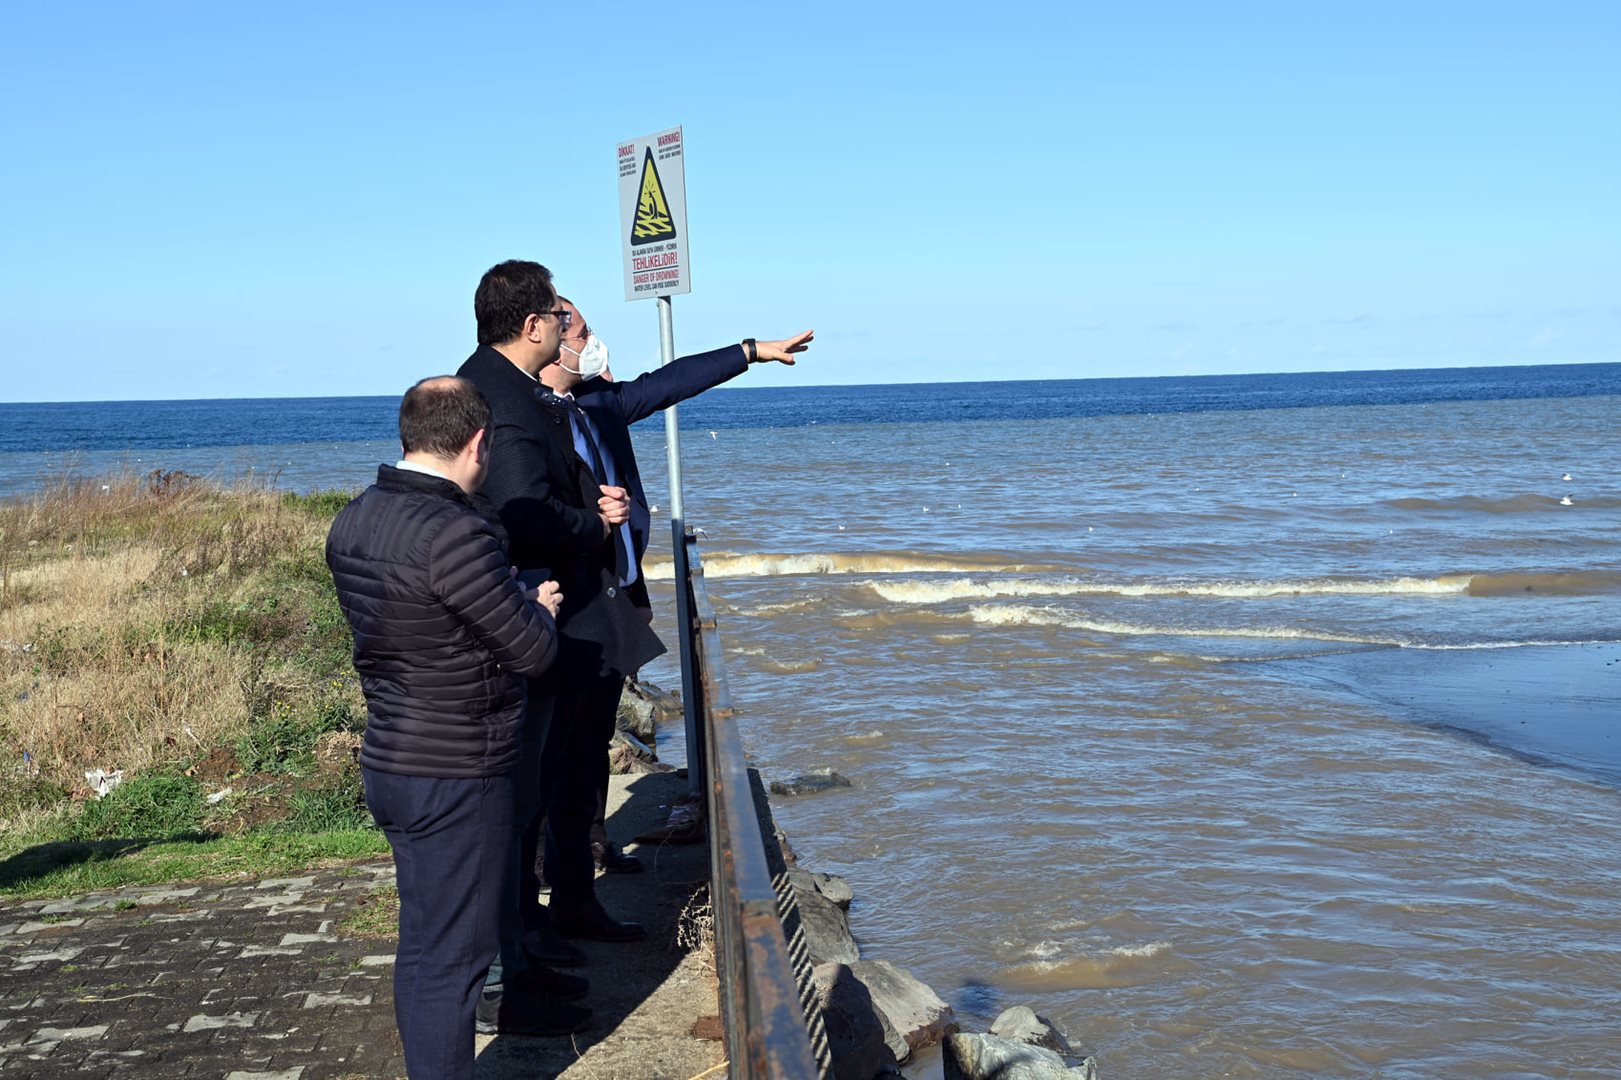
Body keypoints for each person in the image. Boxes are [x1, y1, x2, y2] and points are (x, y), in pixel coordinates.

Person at [531, 295, 813, 935]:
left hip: (618, 597)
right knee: (559, 749)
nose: (594, 343)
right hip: (568, 607)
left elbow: (668, 383)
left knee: (593, 739)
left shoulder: (598, 405)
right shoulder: (529, 419)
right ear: (546, 336)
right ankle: (550, 867)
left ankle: (590, 846)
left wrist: (749, 352)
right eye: (584, 332)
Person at [325, 376, 580, 1080]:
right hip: (458, 770)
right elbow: (530, 652)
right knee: (454, 961)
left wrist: (507, 601)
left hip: (392, 759)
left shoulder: (356, 518)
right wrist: (538, 607)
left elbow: (426, 626)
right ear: (478, 442)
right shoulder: (456, 532)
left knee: (425, 947)